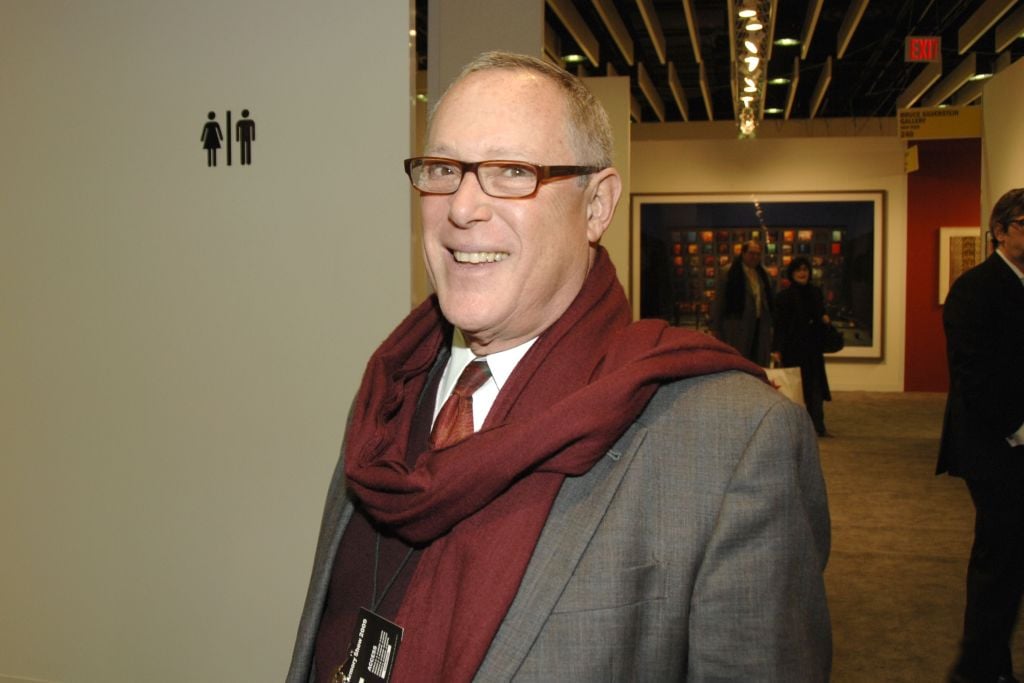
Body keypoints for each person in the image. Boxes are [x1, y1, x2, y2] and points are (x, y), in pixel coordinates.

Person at [288, 51, 830, 683]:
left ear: (597, 205)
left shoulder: (731, 445)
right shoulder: (387, 397)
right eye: (443, 169)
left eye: (512, 172)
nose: (462, 208)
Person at [938, 188, 1024, 683]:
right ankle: (984, 668)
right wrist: (1015, 426)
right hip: (993, 444)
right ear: (999, 231)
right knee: (999, 554)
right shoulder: (975, 288)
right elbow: (971, 373)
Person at [771, 256, 832, 436]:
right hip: (793, 349)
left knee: (815, 388)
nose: (802, 273)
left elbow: (820, 314)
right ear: (792, 273)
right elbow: (780, 325)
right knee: (796, 388)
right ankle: (797, 427)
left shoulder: (815, 292)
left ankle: (818, 427)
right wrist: (777, 349)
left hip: (813, 349)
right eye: (798, 270)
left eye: (805, 270)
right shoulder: (784, 297)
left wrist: (824, 318)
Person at [710, 240, 775, 366]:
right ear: (743, 253)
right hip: (737, 324)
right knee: (739, 359)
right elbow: (719, 301)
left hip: (760, 325)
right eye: (751, 253)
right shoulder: (728, 272)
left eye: (758, 254)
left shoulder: (763, 273)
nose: (755, 257)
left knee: (758, 359)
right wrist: (716, 327)